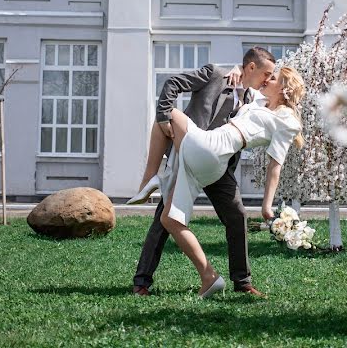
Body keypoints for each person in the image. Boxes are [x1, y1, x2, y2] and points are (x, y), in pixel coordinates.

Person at [130, 66, 305, 299]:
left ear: (284, 89)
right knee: (168, 218)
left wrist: (266, 205)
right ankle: (208, 277)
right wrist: (236, 70)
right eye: (266, 74)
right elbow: (247, 81)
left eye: (271, 78)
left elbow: (275, 165)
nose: (265, 80)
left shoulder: (287, 121)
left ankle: (150, 178)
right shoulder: (255, 100)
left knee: (168, 112)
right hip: (207, 158)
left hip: (214, 149)